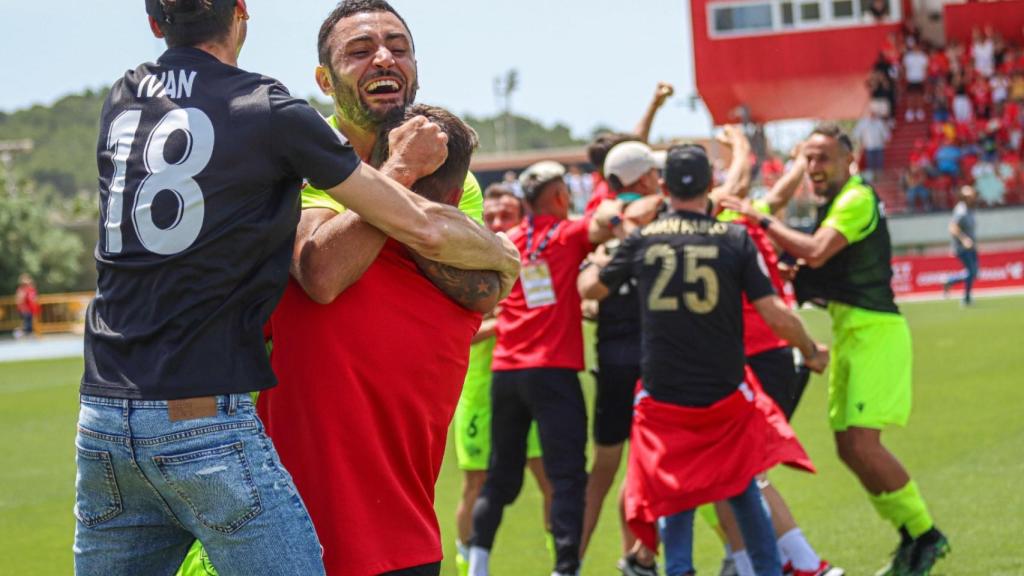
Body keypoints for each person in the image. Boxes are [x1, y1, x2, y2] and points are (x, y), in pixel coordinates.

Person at [79, 1, 516, 574]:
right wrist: (501, 252)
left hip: (393, 487)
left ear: (157, 23)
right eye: (359, 51)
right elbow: (326, 269)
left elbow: (478, 291)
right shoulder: (279, 135)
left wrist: (480, 260)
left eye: (399, 46)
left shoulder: (126, 93)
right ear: (324, 81)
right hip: (227, 433)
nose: (384, 57)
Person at [260, 104, 499, 576]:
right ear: (455, 197)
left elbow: (319, 269)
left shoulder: (298, 275)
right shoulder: (466, 298)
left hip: (297, 549)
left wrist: (373, 182)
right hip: (411, 551)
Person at [579, 144, 828, 576]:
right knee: (743, 483)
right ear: (710, 186)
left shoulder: (642, 239)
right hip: (724, 388)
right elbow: (773, 311)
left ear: (665, 186)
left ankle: (678, 570)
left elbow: (592, 291)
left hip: (664, 390)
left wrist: (592, 262)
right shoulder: (733, 238)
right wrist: (810, 349)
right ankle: (768, 570)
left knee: (676, 494)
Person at [723, 123, 950, 576]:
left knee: (863, 444)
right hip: (851, 332)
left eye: (823, 157)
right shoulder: (835, 202)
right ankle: (910, 534)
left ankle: (924, 534)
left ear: (851, 160)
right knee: (849, 447)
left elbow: (818, 251)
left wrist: (760, 217)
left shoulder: (856, 198)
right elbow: (819, 266)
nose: (814, 167)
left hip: (875, 334)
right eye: (808, 158)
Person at [468, 161, 621, 576]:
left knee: (500, 478)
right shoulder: (568, 233)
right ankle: (565, 569)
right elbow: (606, 223)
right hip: (553, 373)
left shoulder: (511, 239)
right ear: (558, 196)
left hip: (507, 373)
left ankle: (478, 564)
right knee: (568, 476)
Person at [453, 183, 553, 575]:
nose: (497, 224)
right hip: (479, 391)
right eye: (490, 217)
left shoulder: (534, 264)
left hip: (530, 384)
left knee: (550, 481)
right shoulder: (462, 266)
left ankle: (561, 562)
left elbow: (546, 315)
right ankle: (468, 567)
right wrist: (504, 323)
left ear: (521, 219)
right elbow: (458, 333)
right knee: (475, 484)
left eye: (505, 217)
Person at [577, 141, 664, 567]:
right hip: (654, 358)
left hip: (610, 357)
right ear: (646, 176)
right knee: (651, 466)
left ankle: (568, 561)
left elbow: (600, 223)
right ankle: (641, 555)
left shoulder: (602, 212)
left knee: (605, 469)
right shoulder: (662, 208)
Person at [944, 185, 979, 306]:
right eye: (969, 196)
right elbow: (952, 227)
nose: (972, 198)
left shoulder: (970, 209)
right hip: (962, 248)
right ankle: (966, 297)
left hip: (971, 246)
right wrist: (964, 240)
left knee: (974, 273)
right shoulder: (961, 210)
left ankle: (950, 281)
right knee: (971, 271)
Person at [853, 110, 890, 182]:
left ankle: (880, 179)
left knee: (879, 164)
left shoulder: (879, 122)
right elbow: (856, 133)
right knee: (870, 165)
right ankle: (872, 180)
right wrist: (860, 143)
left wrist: (887, 140)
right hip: (869, 147)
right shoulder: (863, 123)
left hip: (879, 147)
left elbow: (885, 133)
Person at [903, 42, 930, 122]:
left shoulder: (923, 57)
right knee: (911, 95)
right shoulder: (908, 57)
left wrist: (925, 78)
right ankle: (910, 111)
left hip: (920, 79)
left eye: (917, 47)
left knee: (920, 95)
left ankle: (920, 111)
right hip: (910, 79)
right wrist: (905, 77)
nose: (916, 48)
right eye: (914, 47)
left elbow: (925, 68)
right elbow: (905, 67)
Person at [13, 273, 39, 339]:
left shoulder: (30, 289)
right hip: (24, 309)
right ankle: (19, 333)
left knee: (29, 323)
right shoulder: (22, 289)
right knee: (26, 323)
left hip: (30, 309)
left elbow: (34, 298)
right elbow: (19, 299)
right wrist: (21, 306)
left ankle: (26, 334)